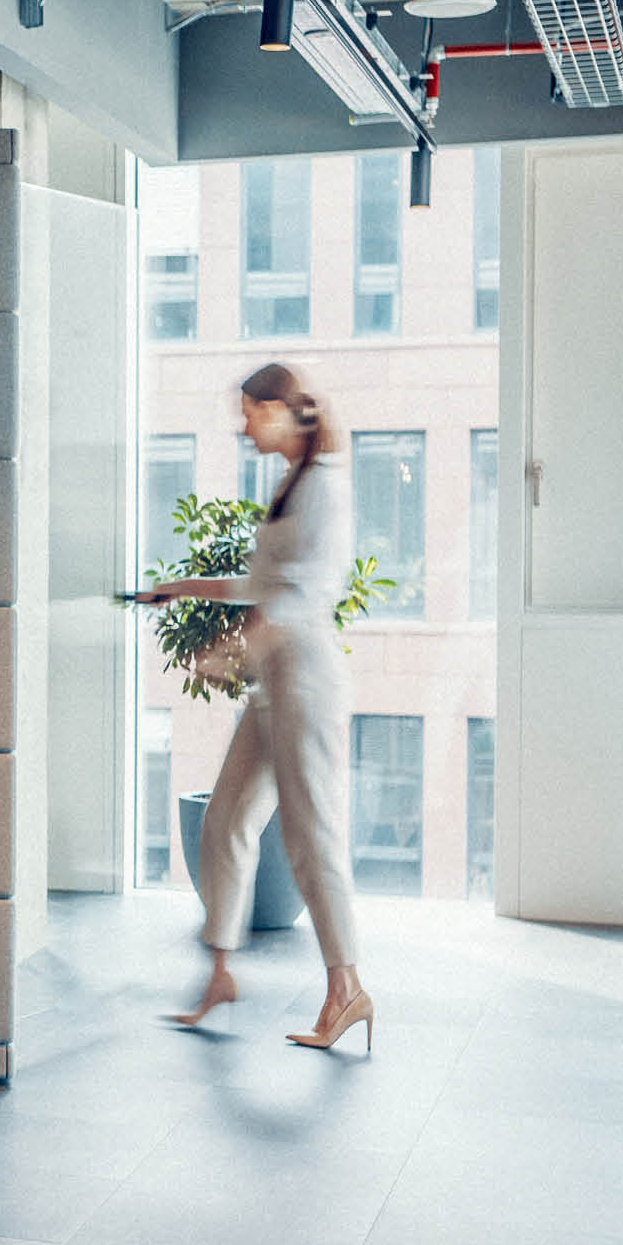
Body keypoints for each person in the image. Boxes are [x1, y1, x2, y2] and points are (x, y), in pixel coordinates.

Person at [139, 362, 374, 1051]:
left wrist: (230, 652)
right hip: (275, 686)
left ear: (282, 409)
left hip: (305, 683)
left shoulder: (326, 484)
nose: (244, 425)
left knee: (311, 838)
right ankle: (219, 973)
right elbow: (260, 581)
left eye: (251, 411)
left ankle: (348, 989)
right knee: (226, 822)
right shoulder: (290, 486)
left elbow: (302, 596)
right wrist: (183, 588)